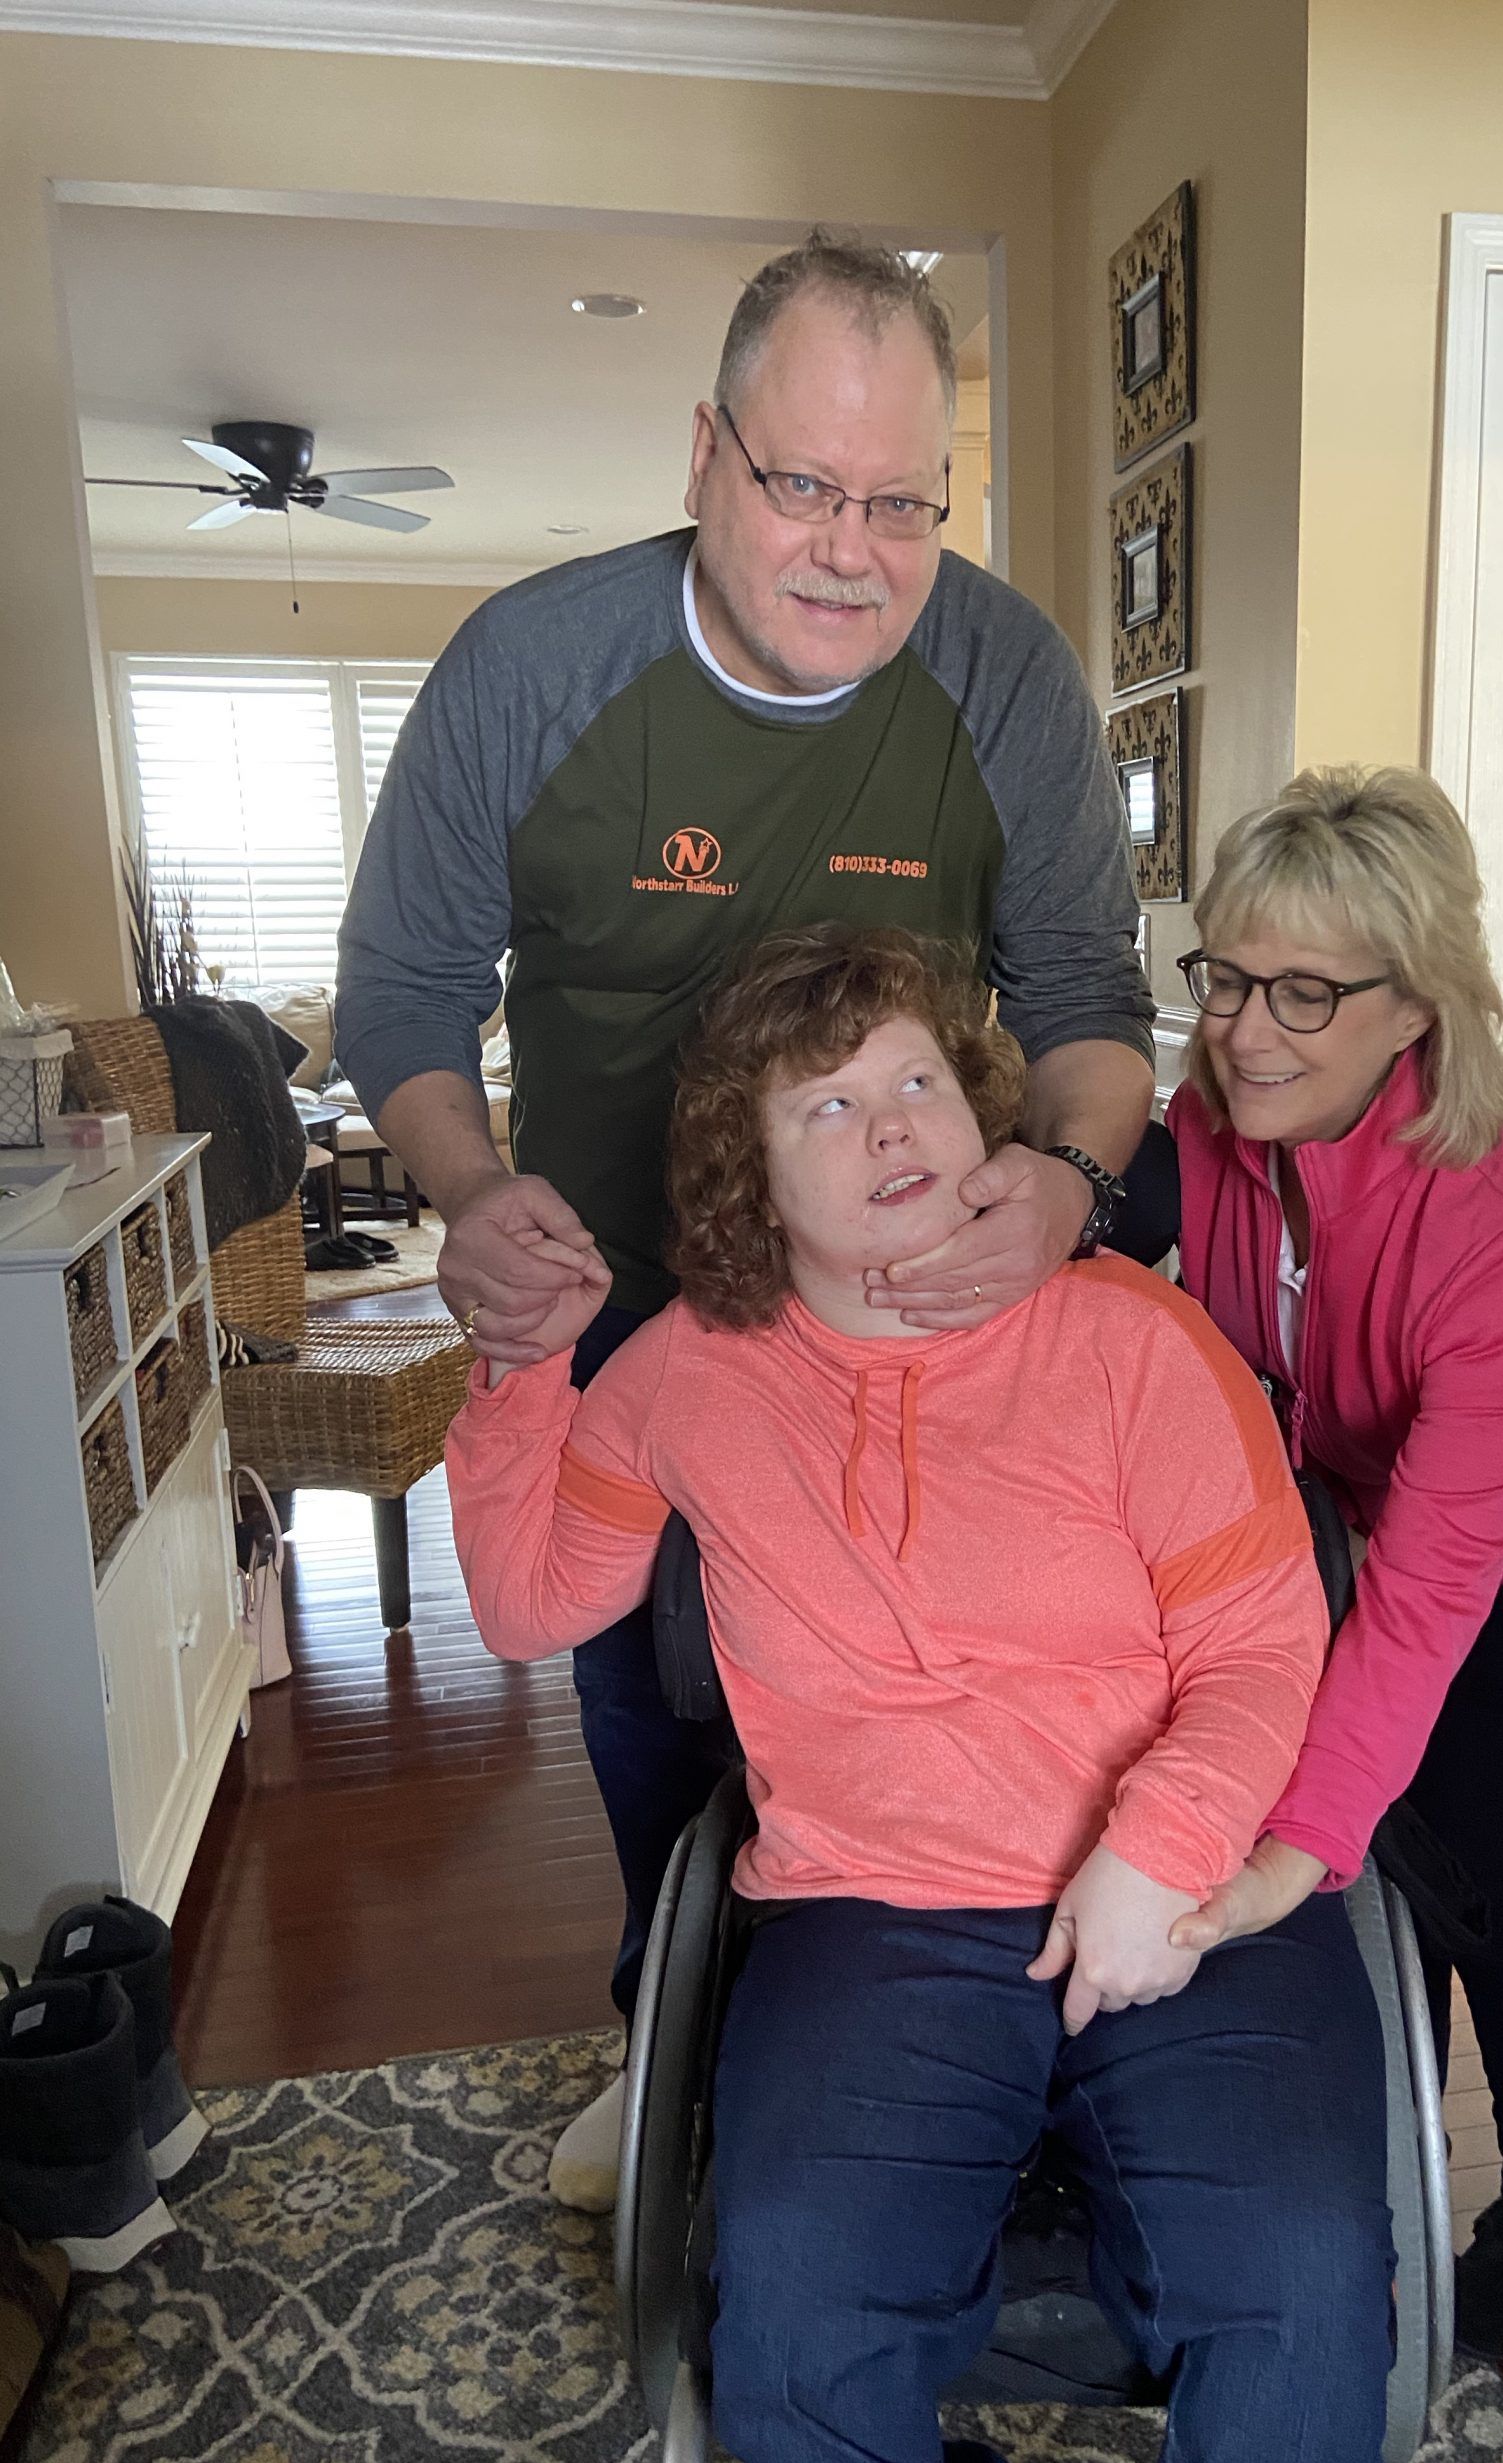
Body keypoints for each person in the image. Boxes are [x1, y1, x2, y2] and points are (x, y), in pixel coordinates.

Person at [335, 232, 1156, 2205]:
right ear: (706, 450)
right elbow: (401, 991)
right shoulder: (533, 670)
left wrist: (1065, 1179)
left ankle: (963, 2069)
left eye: (901, 502)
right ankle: (672, 2036)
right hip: (635, 1317)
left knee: (920, 1704)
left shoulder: (1004, 672)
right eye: (802, 484)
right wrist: (470, 1184)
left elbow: (1093, 1006)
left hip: (923, 1315)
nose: (851, 550)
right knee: (654, 1697)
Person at [444, 926, 1392, 2463]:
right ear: (745, 1172)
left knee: (1304, 2276)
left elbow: (1261, 1646)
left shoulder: (1136, 1344)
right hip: (873, 1907)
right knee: (795, 2316)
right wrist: (524, 1371)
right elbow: (534, 1606)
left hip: (1196, 1893)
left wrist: (1156, 1851)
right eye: (825, 1105)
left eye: (917, 1083)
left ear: (981, 1113)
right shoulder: (683, 1379)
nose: (891, 1127)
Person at [1157, 766, 1503, 2361]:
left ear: (1415, 1009)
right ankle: (1370, 2173)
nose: (1244, 1028)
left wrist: (1294, 1846)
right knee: (1386, 1843)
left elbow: (1429, 1596)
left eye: (1304, 992)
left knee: (1463, 1856)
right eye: (1226, 975)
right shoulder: (1217, 1123)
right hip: (1384, 1494)